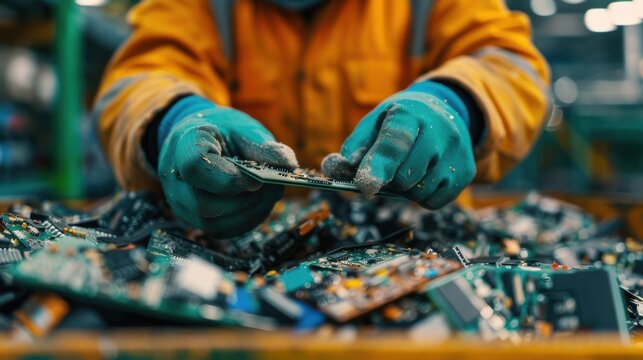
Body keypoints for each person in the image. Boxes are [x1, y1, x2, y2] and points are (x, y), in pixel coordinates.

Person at [94, 0, 550, 237]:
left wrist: (457, 103)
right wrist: (175, 120)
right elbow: (140, 77)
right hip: (233, 265)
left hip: (415, 255)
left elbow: (512, 66)